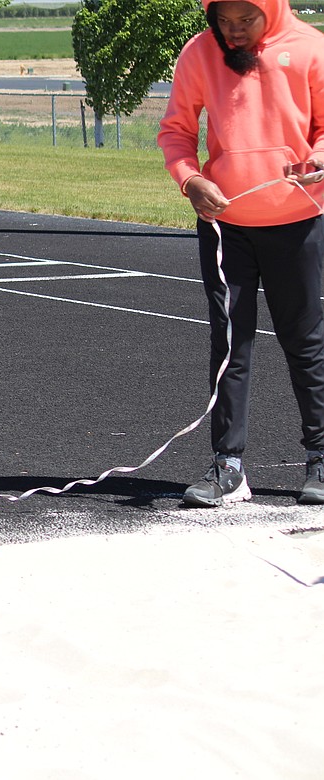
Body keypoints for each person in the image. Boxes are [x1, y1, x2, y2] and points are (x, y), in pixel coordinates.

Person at [158, 0, 324, 506]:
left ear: (272, 8)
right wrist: (191, 180)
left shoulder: (311, 48)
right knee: (231, 347)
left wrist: (318, 158)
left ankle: (319, 461)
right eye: (222, 21)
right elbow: (176, 132)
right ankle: (228, 467)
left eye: (245, 21)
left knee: (306, 343)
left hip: (298, 222)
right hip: (225, 226)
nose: (232, 32)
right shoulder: (197, 53)